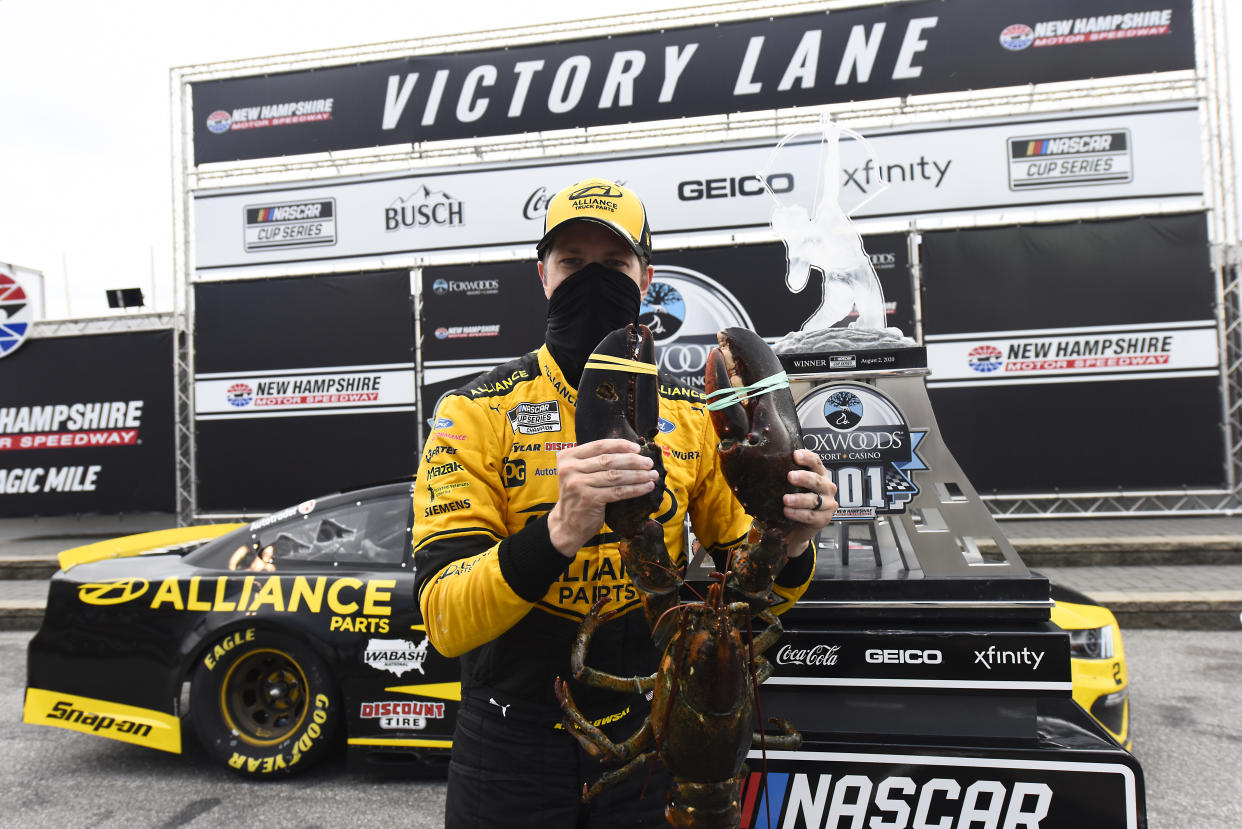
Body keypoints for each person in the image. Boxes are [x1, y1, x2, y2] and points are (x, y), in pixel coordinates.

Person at [411, 177, 838, 828]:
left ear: (646, 278)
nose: (592, 280)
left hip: (659, 733)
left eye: (613, 264)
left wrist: (794, 539)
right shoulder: (472, 412)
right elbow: (444, 620)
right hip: (509, 746)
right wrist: (559, 529)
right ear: (543, 275)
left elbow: (754, 599)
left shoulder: (693, 415)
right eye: (573, 263)